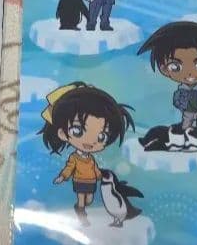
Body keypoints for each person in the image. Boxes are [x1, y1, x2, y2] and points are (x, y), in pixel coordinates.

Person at [39, 82, 135, 225]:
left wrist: (99, 175)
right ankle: (81, 212)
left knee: (89, 200)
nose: (90, 142)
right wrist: (63, 176)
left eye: (101, 137)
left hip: (91, 181)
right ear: (62, 133)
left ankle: (80, 208)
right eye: (78, 131)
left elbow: (94, 168)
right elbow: (69, 168)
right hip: (79, 180)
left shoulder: (90, 158)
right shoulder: (74, 157)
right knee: (82, 200)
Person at [137, 21, 197, 151]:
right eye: (176, 67)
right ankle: (186, 143)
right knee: (185, 128)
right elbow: (177, 100)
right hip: (187, 113)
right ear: (164, 70)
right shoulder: (181, 91)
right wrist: (182, 107)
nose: (189, 73)